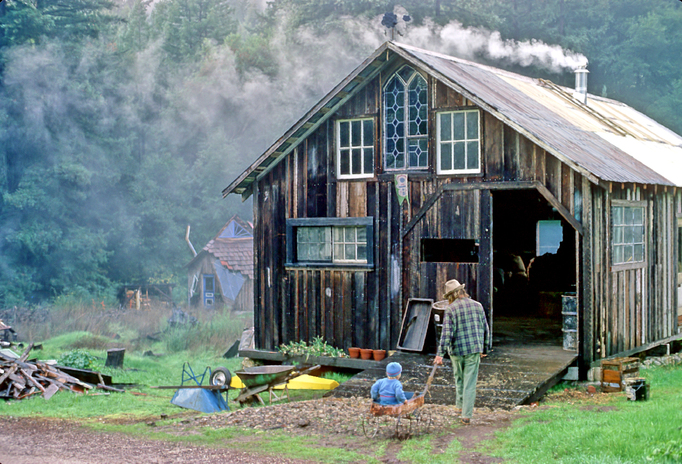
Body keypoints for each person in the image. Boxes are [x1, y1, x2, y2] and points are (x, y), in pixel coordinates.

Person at [433, 279, 489, 424]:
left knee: (459, 378)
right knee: (469, 382)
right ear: (462, 291)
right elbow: (485, 328)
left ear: (451, 295)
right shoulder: (478, 306)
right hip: (474, 349)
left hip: (456, 351)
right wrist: (485, 347)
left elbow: (446, 334)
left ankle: (460, 408)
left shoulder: (451, 309)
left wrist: (440, 354)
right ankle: (465, 414)